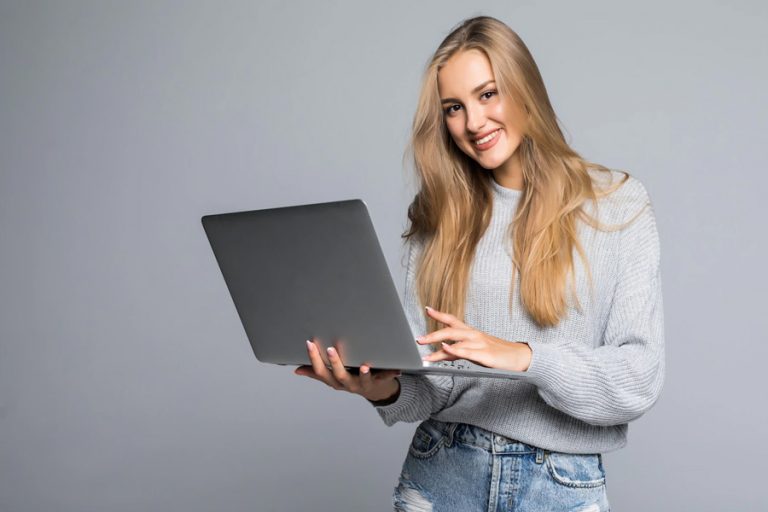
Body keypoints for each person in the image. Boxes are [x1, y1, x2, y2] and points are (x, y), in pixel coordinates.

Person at [294, 15, 664, 512]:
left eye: (488, 94)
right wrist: (382, 388)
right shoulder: (440, 216)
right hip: (441, 473)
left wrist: (524, 357)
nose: (472, 123)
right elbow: (433, 384)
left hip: (559, 487)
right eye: (454, 107)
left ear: (523, 86)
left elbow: (637, 379)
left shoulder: (617, 205)